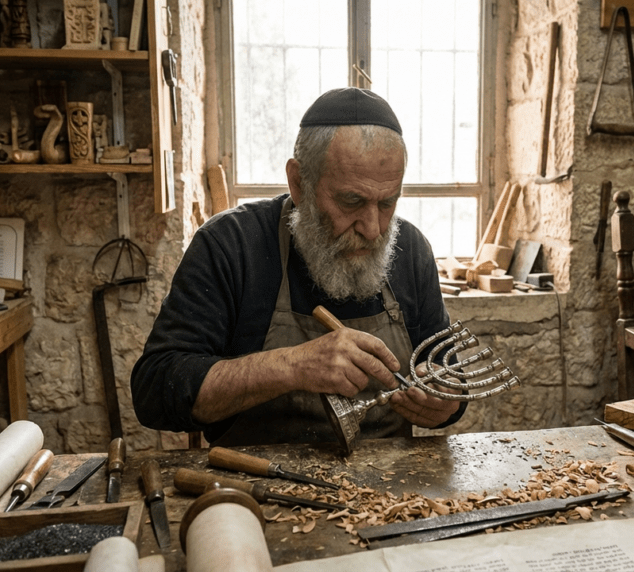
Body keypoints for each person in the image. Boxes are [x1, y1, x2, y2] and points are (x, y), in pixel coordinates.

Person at [131, 87, 466, 446]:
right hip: (255, 482)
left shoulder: (411, 249)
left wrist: (444, 401)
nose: (374, 228)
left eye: (388, 202)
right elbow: (155, 391)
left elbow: (448, 377)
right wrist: (291, 366)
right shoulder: (230, 245)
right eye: (351, 201)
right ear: (298, 182)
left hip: (389, 489)